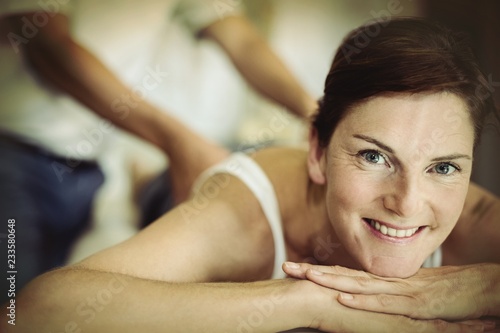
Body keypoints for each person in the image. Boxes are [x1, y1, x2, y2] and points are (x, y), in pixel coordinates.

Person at [4, 17, 500, 333]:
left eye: (443, 167)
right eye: (374, 157)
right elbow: (29, 314)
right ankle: (149, 180)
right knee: (171, 192)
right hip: (245, 174)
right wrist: (310, 300)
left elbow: (233, 33)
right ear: (318, 152)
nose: (408, 202)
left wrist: (486, 287)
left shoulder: (475, 220)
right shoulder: (242, 213)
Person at [0, 0, 316, 299]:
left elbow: (240, 40)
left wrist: (315, 110)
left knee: (38, 300)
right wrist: (176, 140)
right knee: (13, 311)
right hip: (12, 154)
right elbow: (46, 44)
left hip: (87, 171)